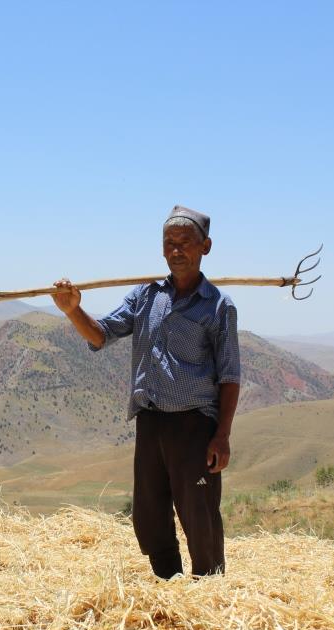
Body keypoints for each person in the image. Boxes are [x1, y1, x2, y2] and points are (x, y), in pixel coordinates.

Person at [51, 205, 241, 578]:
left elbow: (230, 376)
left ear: (206, 247)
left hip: (194, 427)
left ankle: (210, 590)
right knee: (150, 513)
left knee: (198, 513)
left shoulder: (218, 306)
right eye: (169, 243)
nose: (176, 251)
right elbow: (101, 334)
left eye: (185, 243)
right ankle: (166, 584)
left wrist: (222, 436)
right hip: (150, 421)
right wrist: (74, 311)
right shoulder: (145, 296)